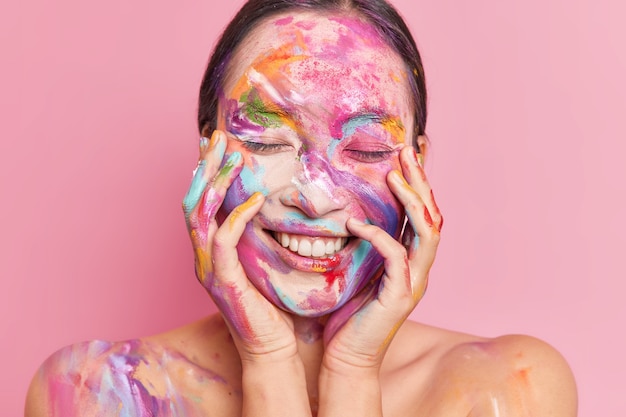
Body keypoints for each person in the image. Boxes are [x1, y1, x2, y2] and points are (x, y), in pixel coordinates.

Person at [24, 0, 577, 416]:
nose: (315, 195)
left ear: (418, 166)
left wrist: (353, 372)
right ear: (207, 157)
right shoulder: (95, 392)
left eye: (366, 150)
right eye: (266, 142)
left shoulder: (509, 389)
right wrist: (268, 360)